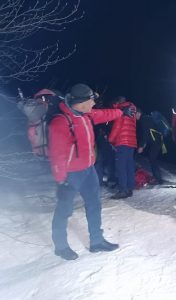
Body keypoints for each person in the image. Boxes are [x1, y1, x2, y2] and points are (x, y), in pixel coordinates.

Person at [48, 83, 135, 260]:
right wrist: (61, 180)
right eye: (91, 101)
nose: (94, 105)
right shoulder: (61, 122)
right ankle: (61, 246)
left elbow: (105, 114)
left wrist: (121, 113)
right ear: (81, 102)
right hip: (71, 175)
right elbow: (56, 155)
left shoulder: (86, 115)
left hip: (88, 170)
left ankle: (96, 241)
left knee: (94, 204)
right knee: (64, 210)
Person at [108, 96, 138, 199]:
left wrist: (111, 140)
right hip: (131, 142)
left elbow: (117, 126)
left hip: (122, 141)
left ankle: (123, 190)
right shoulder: (132, 110)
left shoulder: (121, 110)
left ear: (119, 101)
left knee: (121, 167)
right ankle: (129, 188)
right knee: (129, 166)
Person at [136, 109, 167, 184]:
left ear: (139, 113)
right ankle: (157, 178)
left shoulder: (144, 119)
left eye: (135, 114)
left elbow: (145, 133)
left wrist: (141, 146)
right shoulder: (147, 118)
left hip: (155, 141)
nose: (134, 116)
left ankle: (158, 179)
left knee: (152, 159)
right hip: (157, 140)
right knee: (152, 158)